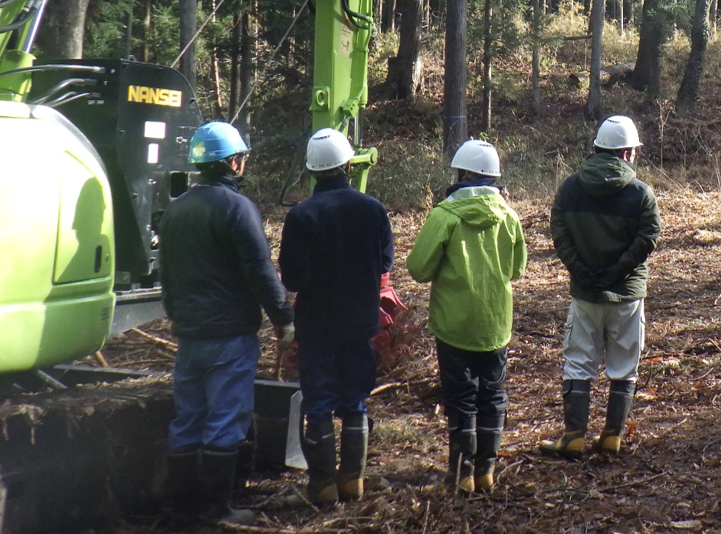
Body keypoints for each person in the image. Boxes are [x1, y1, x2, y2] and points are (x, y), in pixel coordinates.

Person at [158, 121, 293, 525]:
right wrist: (283, 318)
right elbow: (259, 270)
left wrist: (177, 315)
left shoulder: (177, 209)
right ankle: (217, 509)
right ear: (234, 162)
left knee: (188, 419)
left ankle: (183, 509)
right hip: (229, 335)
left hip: (190, 335)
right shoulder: (238, 208)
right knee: (225, 418)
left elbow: (167, 273)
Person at [278, 127, 394, 504]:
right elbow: (385, 263)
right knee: (355, 401)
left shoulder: (301, 216)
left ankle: (322, 485)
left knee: (318, 404)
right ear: (348, 165)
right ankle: (352, 481)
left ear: (312, 170)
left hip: (317, 327)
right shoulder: (373, 209)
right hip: (360, 323)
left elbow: (293, 279)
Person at [406, 140, 528, 493]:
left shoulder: (444, 215)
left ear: (461, 175)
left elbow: (418, 268)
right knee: (493, 394)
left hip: (453, 325)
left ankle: (462, 474)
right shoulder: (509, 216)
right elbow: (517, 269)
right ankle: (486, 470)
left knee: (460, 398)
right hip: (495, 324)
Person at [542, 115, 661, 459]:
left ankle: (574, 437)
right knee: (624, 366)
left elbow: (559, 233)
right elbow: (648, 237)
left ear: (596, 148)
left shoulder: (569, 188)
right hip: (627, 294)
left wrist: (581, 271)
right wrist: (617, 273)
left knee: (578, 362)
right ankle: (612, 437)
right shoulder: (641, 193)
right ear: (627, 153)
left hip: (586, 292)